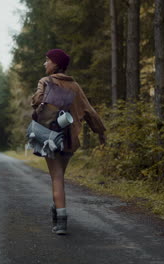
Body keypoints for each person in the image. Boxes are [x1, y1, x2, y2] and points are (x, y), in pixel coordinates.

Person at [31, 49, 106, 235]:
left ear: (56, 64)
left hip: (49, 136)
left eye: (47, 60)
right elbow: (89, 111)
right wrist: (100, 131)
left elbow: (37, 101)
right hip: (69, 138)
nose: (44, 64)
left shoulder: (45, 81)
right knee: (60, 176)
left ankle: (61, 220)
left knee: (56, 177)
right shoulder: (76, 87)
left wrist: (43, 98)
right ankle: (58, 207)